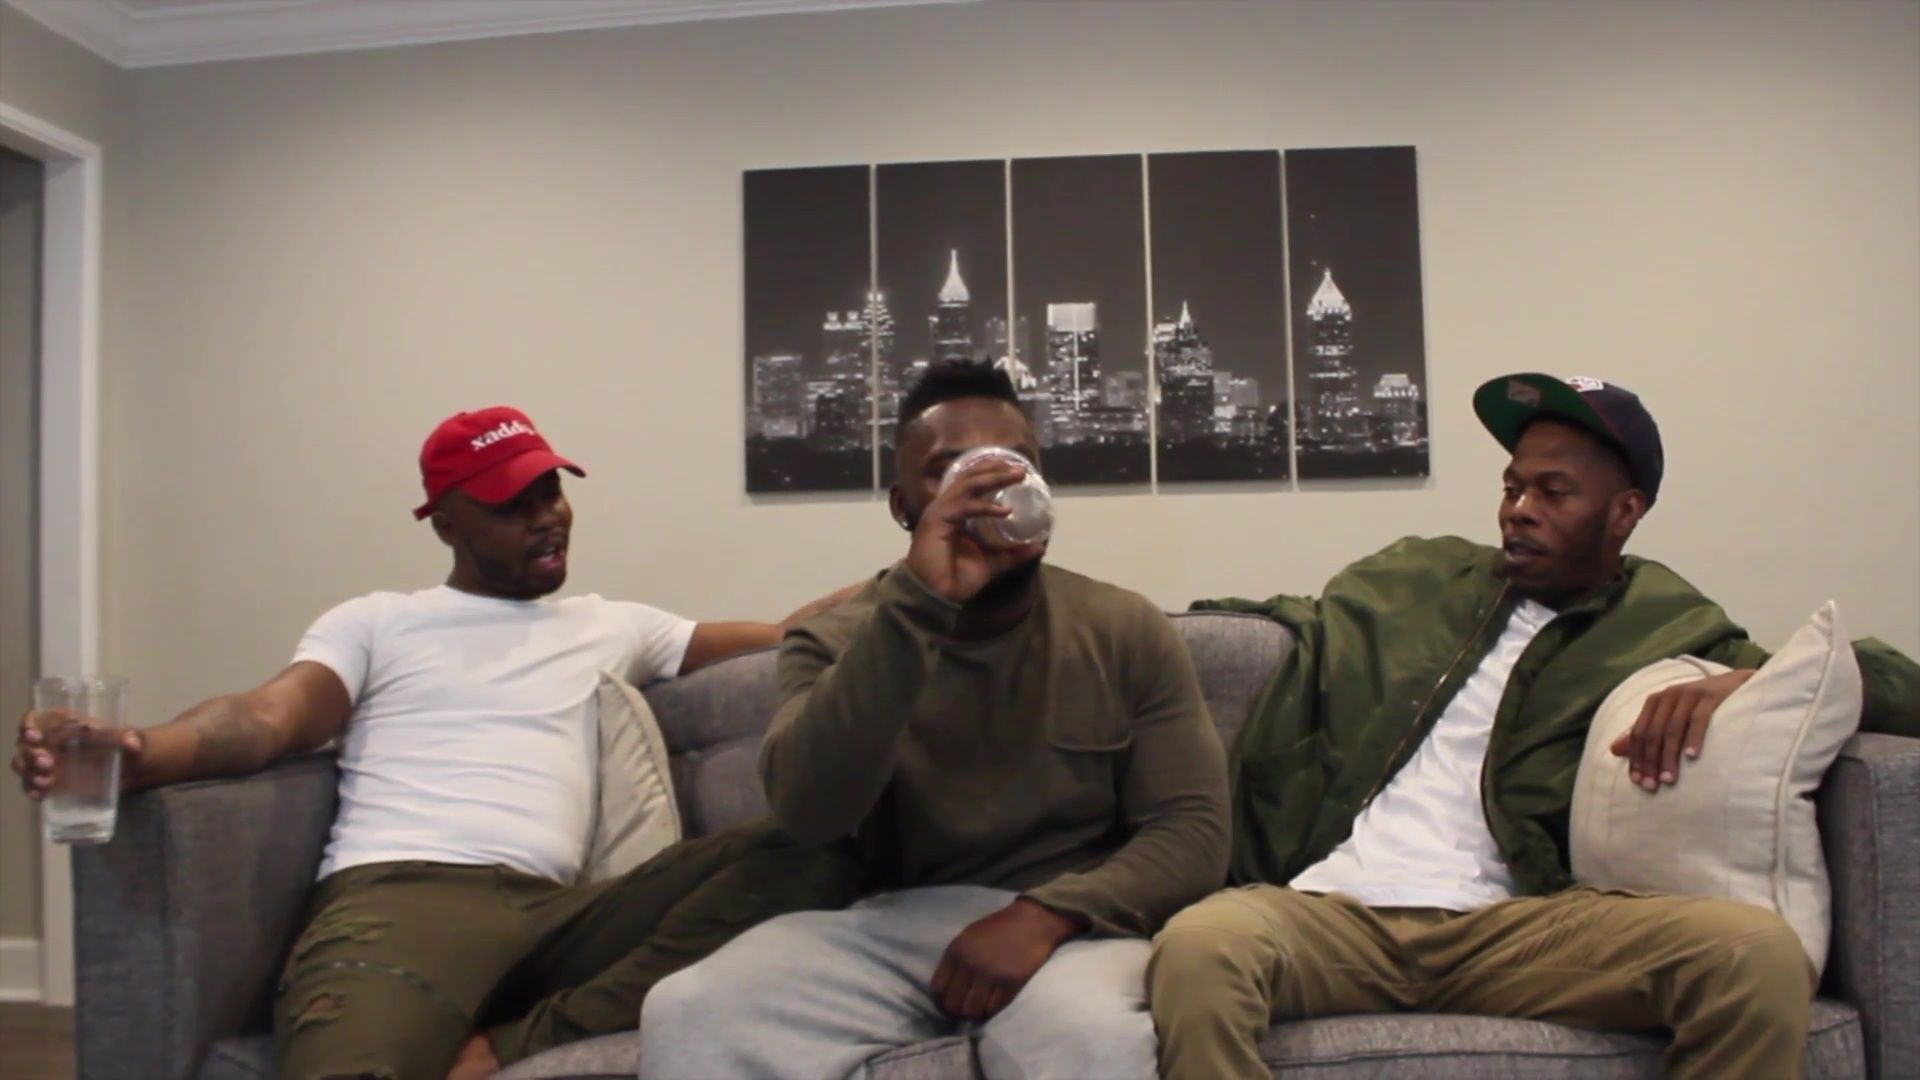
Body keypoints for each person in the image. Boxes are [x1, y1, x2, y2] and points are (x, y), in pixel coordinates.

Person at [12, 406, 863, 1080]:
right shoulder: (379, 622)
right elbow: (267, 718)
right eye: (512, 506)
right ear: (446, 524)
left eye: (551, 493)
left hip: (562, 915)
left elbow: (790, 636)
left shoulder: (613, 625)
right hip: (406, 903)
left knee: (818, 839)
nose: (547, 519)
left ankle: (516, 1041)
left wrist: (912, 578)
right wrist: (140, 753)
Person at [1146, 373, 1920, 1080]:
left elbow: (1892, 684)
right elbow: (1273, 622)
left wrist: (1750, 681)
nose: (1520, 509)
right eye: (1513, 487)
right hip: (1333, 912)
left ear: (1625, 512)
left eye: (1554, 492)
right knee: (1200, 949)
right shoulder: (1409, 580)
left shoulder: (1668, 623)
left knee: (1756, 954)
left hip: (1524, 928)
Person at [638, 361, 1231, 1079]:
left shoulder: (1121, 626)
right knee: (689, 1009)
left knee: (1090, 1035)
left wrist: (1043, 916)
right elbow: (809, 811)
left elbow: (1193, 831)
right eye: (949, 470)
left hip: (1075, 929)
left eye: (1014, 463)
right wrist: (919, 607)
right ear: (904, 506)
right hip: (892, 922)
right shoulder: (832, 640)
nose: (989, 488)